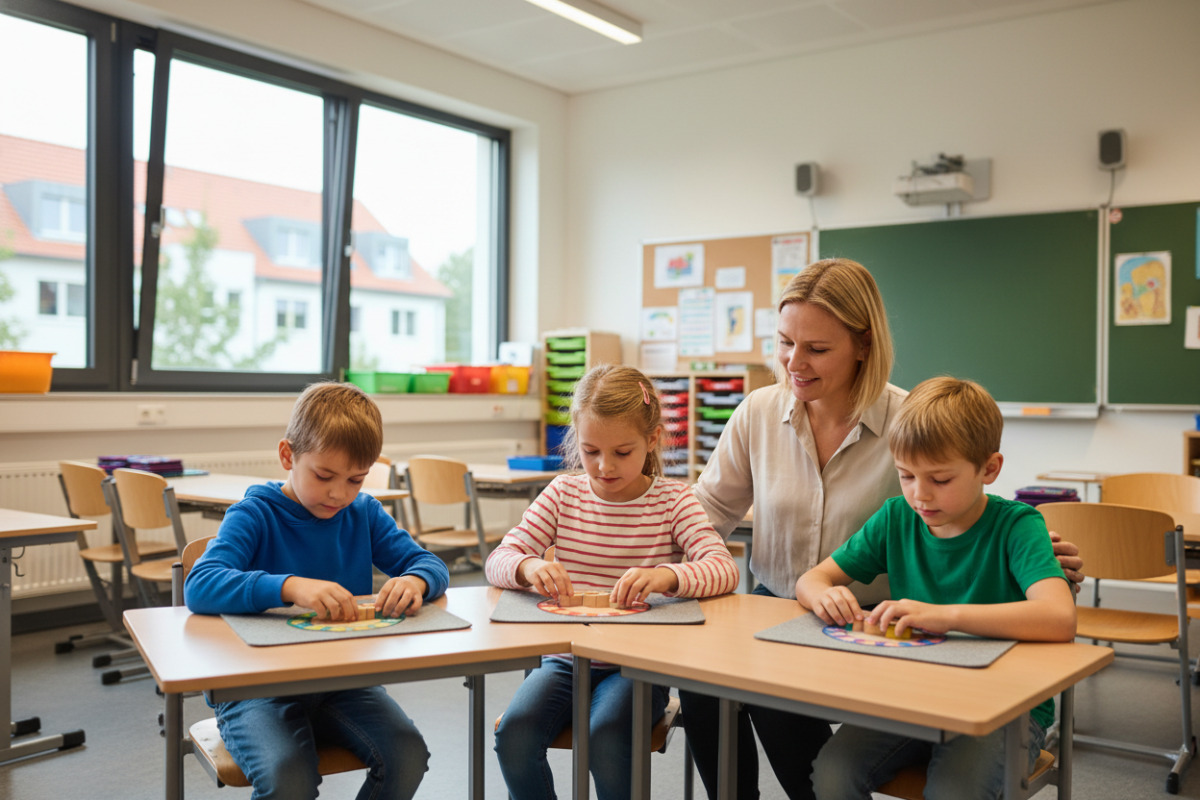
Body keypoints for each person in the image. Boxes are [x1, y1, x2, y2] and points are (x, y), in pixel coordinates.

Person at [680, 257, 1085, 800]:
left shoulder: (910, 420)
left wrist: (1036, 556)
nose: (794, 362)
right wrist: (640, 550)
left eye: (816, 348)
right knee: (704, 679)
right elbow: (705, 509)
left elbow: (971, 512)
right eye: (785, 342)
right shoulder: (759, 411)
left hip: (881, 622)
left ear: (863, 344)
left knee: (787, 717)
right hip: (782, 603)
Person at [797, 376, 1077, 799]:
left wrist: (943, 616)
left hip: (1005, 705)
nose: (920, 495)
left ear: (989, 469)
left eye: (940, 480)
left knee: (954, 791)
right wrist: (824, 593)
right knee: (834, 773)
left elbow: (1058, 618)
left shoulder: (1018, 525)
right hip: (915, 694)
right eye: (906, 475)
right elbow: (812, 579)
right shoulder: (896, 517)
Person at [185, 382, 450, 800]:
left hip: (341, 682)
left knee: (407, 755)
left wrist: (415, 580)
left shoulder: (363, 513)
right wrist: (289, 586)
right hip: (255, 689)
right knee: (289, 778)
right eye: (324, 476)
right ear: (287, 456)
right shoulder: (254, 513)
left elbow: (430, 565)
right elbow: (200, 584)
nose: (339, 493)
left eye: (356, 480)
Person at [486, 364, 740, 800]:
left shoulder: (673, 500)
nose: (604, 466)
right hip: (565, 660)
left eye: (622, 452)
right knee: (514, 735)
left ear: (652, 439)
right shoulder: (563, 494)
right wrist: (528, 567)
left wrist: (666, 576)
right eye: (590, 451)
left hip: (637, 665)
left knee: (605, 737)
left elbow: (723, 567)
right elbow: (499, 559)